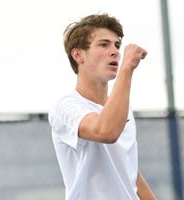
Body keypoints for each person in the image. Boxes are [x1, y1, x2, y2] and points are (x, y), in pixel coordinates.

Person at [48, 13, 156, 200]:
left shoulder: (122, 108)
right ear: (78, 55)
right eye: (104, 44)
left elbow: (131, 174)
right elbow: (106, 131)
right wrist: (127, 67)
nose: (115, 51)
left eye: (117, 45)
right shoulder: (65, 106)